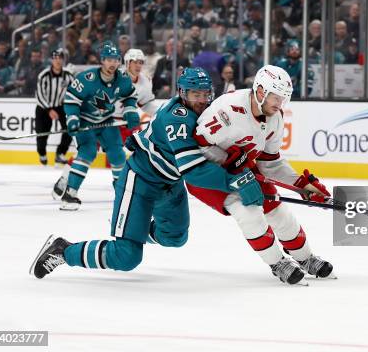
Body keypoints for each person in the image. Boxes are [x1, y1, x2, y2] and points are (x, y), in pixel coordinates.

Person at [30, 68, 264, 279]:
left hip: (169, 185)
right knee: (127, 257)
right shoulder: (179, 118)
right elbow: (193, 171)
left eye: (205, 94)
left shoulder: (203, 111)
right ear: (183, 93)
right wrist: (236, 181)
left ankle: (134, 229)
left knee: (175, 236)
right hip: (140, 181)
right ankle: (64, 250)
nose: (202, 100)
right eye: (196, 94)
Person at [188, 65, 335, 285]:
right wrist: (229, 165)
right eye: (275, 97)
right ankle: (277, 262)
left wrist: (302, 185)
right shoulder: (227, 109)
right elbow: (197, 147)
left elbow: (270, 163)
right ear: (259, 91)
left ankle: (305, 258)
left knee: (279, 213)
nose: (279, 104)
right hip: (207, 174)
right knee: (249, 213)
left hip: (242, 169)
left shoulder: (275, 118)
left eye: (283, 98)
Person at [52, 48, 160, 196]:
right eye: (135, 62)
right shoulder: (116, 76)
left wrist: (160, 115)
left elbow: (146, 103)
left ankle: (125, 188)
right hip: (101, 122)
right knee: (86, 153)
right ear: (127, 63)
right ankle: (65, 178)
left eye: (141, 62)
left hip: (122, 124)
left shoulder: (145, 81)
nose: (138, 65)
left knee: (123, 155)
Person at [35, 48, 74, 166]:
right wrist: (49, 110)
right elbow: (39, 95)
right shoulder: (44, 75)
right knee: (42, 133)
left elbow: (75, 91)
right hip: (43, 107)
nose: (57, 61)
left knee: (70, 129)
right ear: (51, 60)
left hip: (61, 106)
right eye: (55, 58)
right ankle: (42, 153)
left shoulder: (68, 75)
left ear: (63, 60)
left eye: (60, 58)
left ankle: (60, 153)